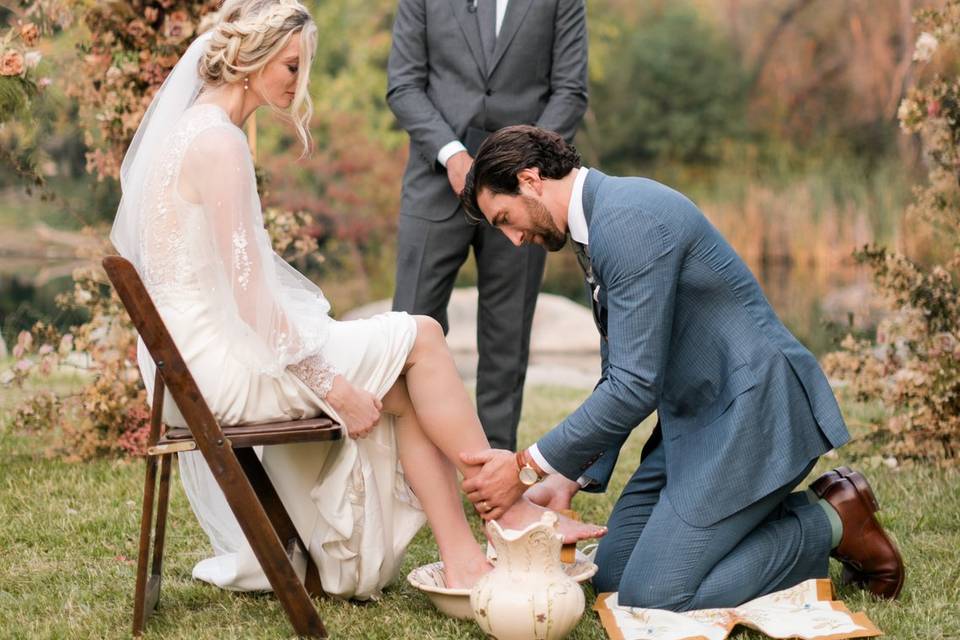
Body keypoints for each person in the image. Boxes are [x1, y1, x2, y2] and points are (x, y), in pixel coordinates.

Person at [109, 1, 602, 600]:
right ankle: (506, 515)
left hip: (190, 364)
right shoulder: (219, 144)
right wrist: (330, 384)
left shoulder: (194, 130)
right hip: (216, 370)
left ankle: (467, 556)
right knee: (421, 333)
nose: (299, 82)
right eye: (291, 66)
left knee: (409, 379)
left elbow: (236, 292)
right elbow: (251, 300)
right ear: (250, 61)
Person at [457, 125, 906, 610]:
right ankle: (748, 530)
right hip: (693, 425)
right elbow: (620, 370)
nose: (515, 238)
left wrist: (525, 467)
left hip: (752, 415)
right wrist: (569, 477)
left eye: (505, 218)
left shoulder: (626, 221)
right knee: (613, 575)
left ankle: (833, 519)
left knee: (655, 596)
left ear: (530, 179)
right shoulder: (596, 228)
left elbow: (633, 387)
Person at [386, 0, 588, 451]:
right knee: (410, 327)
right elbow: (403, 86)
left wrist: (522, 164)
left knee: (507, 337)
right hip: (436, 182)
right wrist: (453, 155)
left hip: (525, 190)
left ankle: (495, 470)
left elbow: (571, 91)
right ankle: (408, 467)